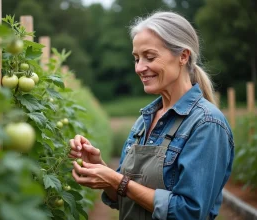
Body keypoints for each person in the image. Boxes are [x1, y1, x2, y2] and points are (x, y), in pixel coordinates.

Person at [69, 11, 234, 220]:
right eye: (136, 58)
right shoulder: (143, 122)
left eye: (150, 57)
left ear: (183, 56)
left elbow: (190, 212)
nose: (139, 68)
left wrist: (118, 182)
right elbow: (124, 199)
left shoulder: (206, 124)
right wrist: (100, 168)